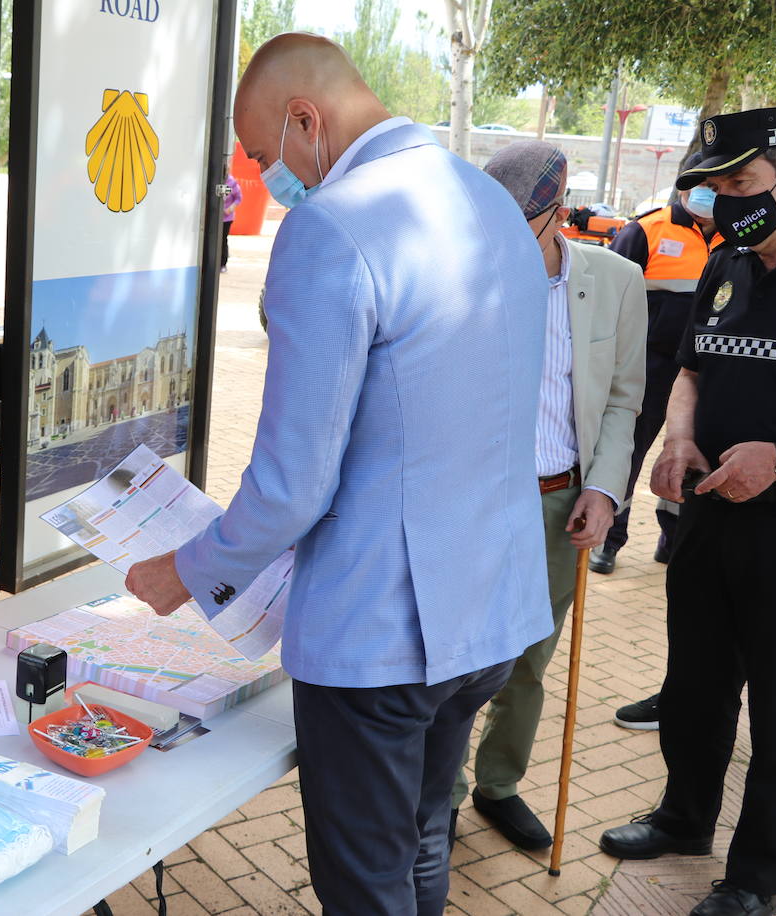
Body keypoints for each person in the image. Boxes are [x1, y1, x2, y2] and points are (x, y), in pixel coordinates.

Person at [124, 33, 551, 915]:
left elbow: (291, 486)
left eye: (262, 155)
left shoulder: (332, 227)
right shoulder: (488, 202)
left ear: (306, 120)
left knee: (366, 884)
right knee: (424, 839)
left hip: (384, 637)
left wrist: (186, 570)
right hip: (491, 609)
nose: (264, 176)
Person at [599, 106, 776, 916]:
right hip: (710, 517)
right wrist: (676, 441)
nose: (727, 200)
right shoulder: (728, 264)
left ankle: (754, 880)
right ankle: (685, 820)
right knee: (695, 686)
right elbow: (690, 370)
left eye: (743, 183)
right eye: (717, 186)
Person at [452, 141, 646, 851]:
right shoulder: (464, 276)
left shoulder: (617, 281)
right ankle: (439, 795)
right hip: (473, 502)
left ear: (556, 214)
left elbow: (624, 402)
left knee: (531, 655)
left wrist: (604, 489)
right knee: (460, 653)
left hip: (561, 501)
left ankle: (497, 783)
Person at [592, 155, 723, 733]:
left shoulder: (732, 241)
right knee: (625, 458)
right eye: (704, 188)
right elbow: (607, 303)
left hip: (699, 376)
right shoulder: (645, 230)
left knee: (685, 466)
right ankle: (610, 539)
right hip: (646, 368)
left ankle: (670, 539)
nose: (710, 198)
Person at [221, 172, 242, 271]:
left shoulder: (232, 182)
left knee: (223, 240)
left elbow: (238, 198)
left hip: (227, 218)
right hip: (216, 217)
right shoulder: (214, 179)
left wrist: (230, 208)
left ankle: (223, 264)